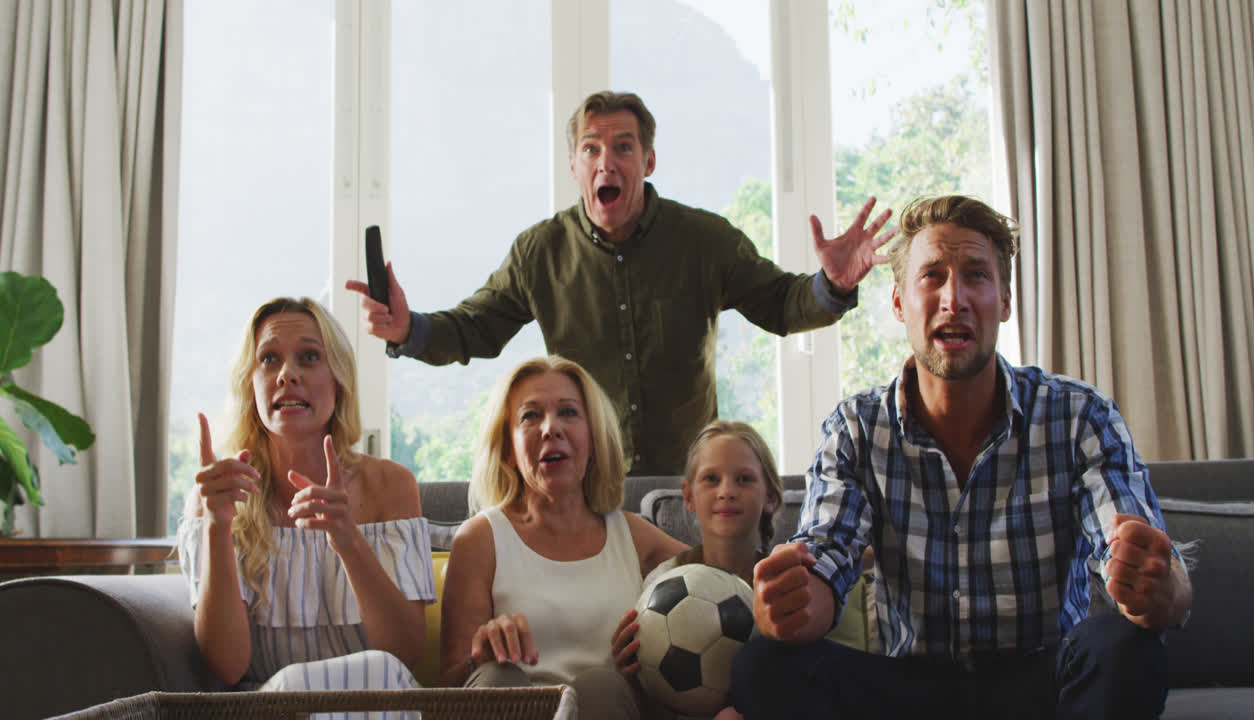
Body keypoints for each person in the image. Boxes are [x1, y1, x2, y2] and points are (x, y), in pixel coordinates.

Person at [732, 195, 1193, 720]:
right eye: (932, 277)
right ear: (900, 303)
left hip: (1038, 686)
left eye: (976, 275)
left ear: (1005, 301)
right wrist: (792, 603)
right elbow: (827, 555)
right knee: (764, 664)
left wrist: (1160, 585)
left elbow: (1144, 562)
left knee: (1126, 646)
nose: (954, 299)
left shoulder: (1078, 415)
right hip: (907, 691)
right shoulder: (856, 427)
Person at [345, 90, 896, 475]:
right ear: (574, 166)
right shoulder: (539, 252)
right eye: (591, 148)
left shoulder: (704, 240)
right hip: (586, 481)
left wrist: (831, 285)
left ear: (648, 161)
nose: (606, 161)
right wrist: (407, 331)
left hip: (689, 480)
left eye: (623, 147)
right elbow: (475, 329)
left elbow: (781, 304)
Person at [176, 297, 433, 703]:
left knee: (378, 671)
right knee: (292, 688)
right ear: (251, 385)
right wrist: (217, 526)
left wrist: (347, 540)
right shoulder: (216, 496)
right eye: (269, 359)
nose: (287, 374)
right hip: (270, 709)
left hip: (373, 704)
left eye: (309, 357)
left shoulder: (391, 486)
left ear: (339, 380)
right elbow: (227, 666)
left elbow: (406, 655)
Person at [438, 355, 689, 718]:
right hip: (511, 709)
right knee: (496, 679)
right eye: (530, 416)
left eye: (569, 412)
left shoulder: (634, 537)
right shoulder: (479, 540)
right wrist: (481, 655)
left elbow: (722, 579)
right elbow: (447, 686)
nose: (550, 429)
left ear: (594, 438)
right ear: (508, 448)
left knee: (601, 685)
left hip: (606, 707)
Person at [610, 420, 783, 720]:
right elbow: (652, 705)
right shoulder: (660, 584)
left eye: (744, 479)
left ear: (771, 497)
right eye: (711, 479)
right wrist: (631, 677)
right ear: (688, 496)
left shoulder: (784, 583)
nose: (727, 491)